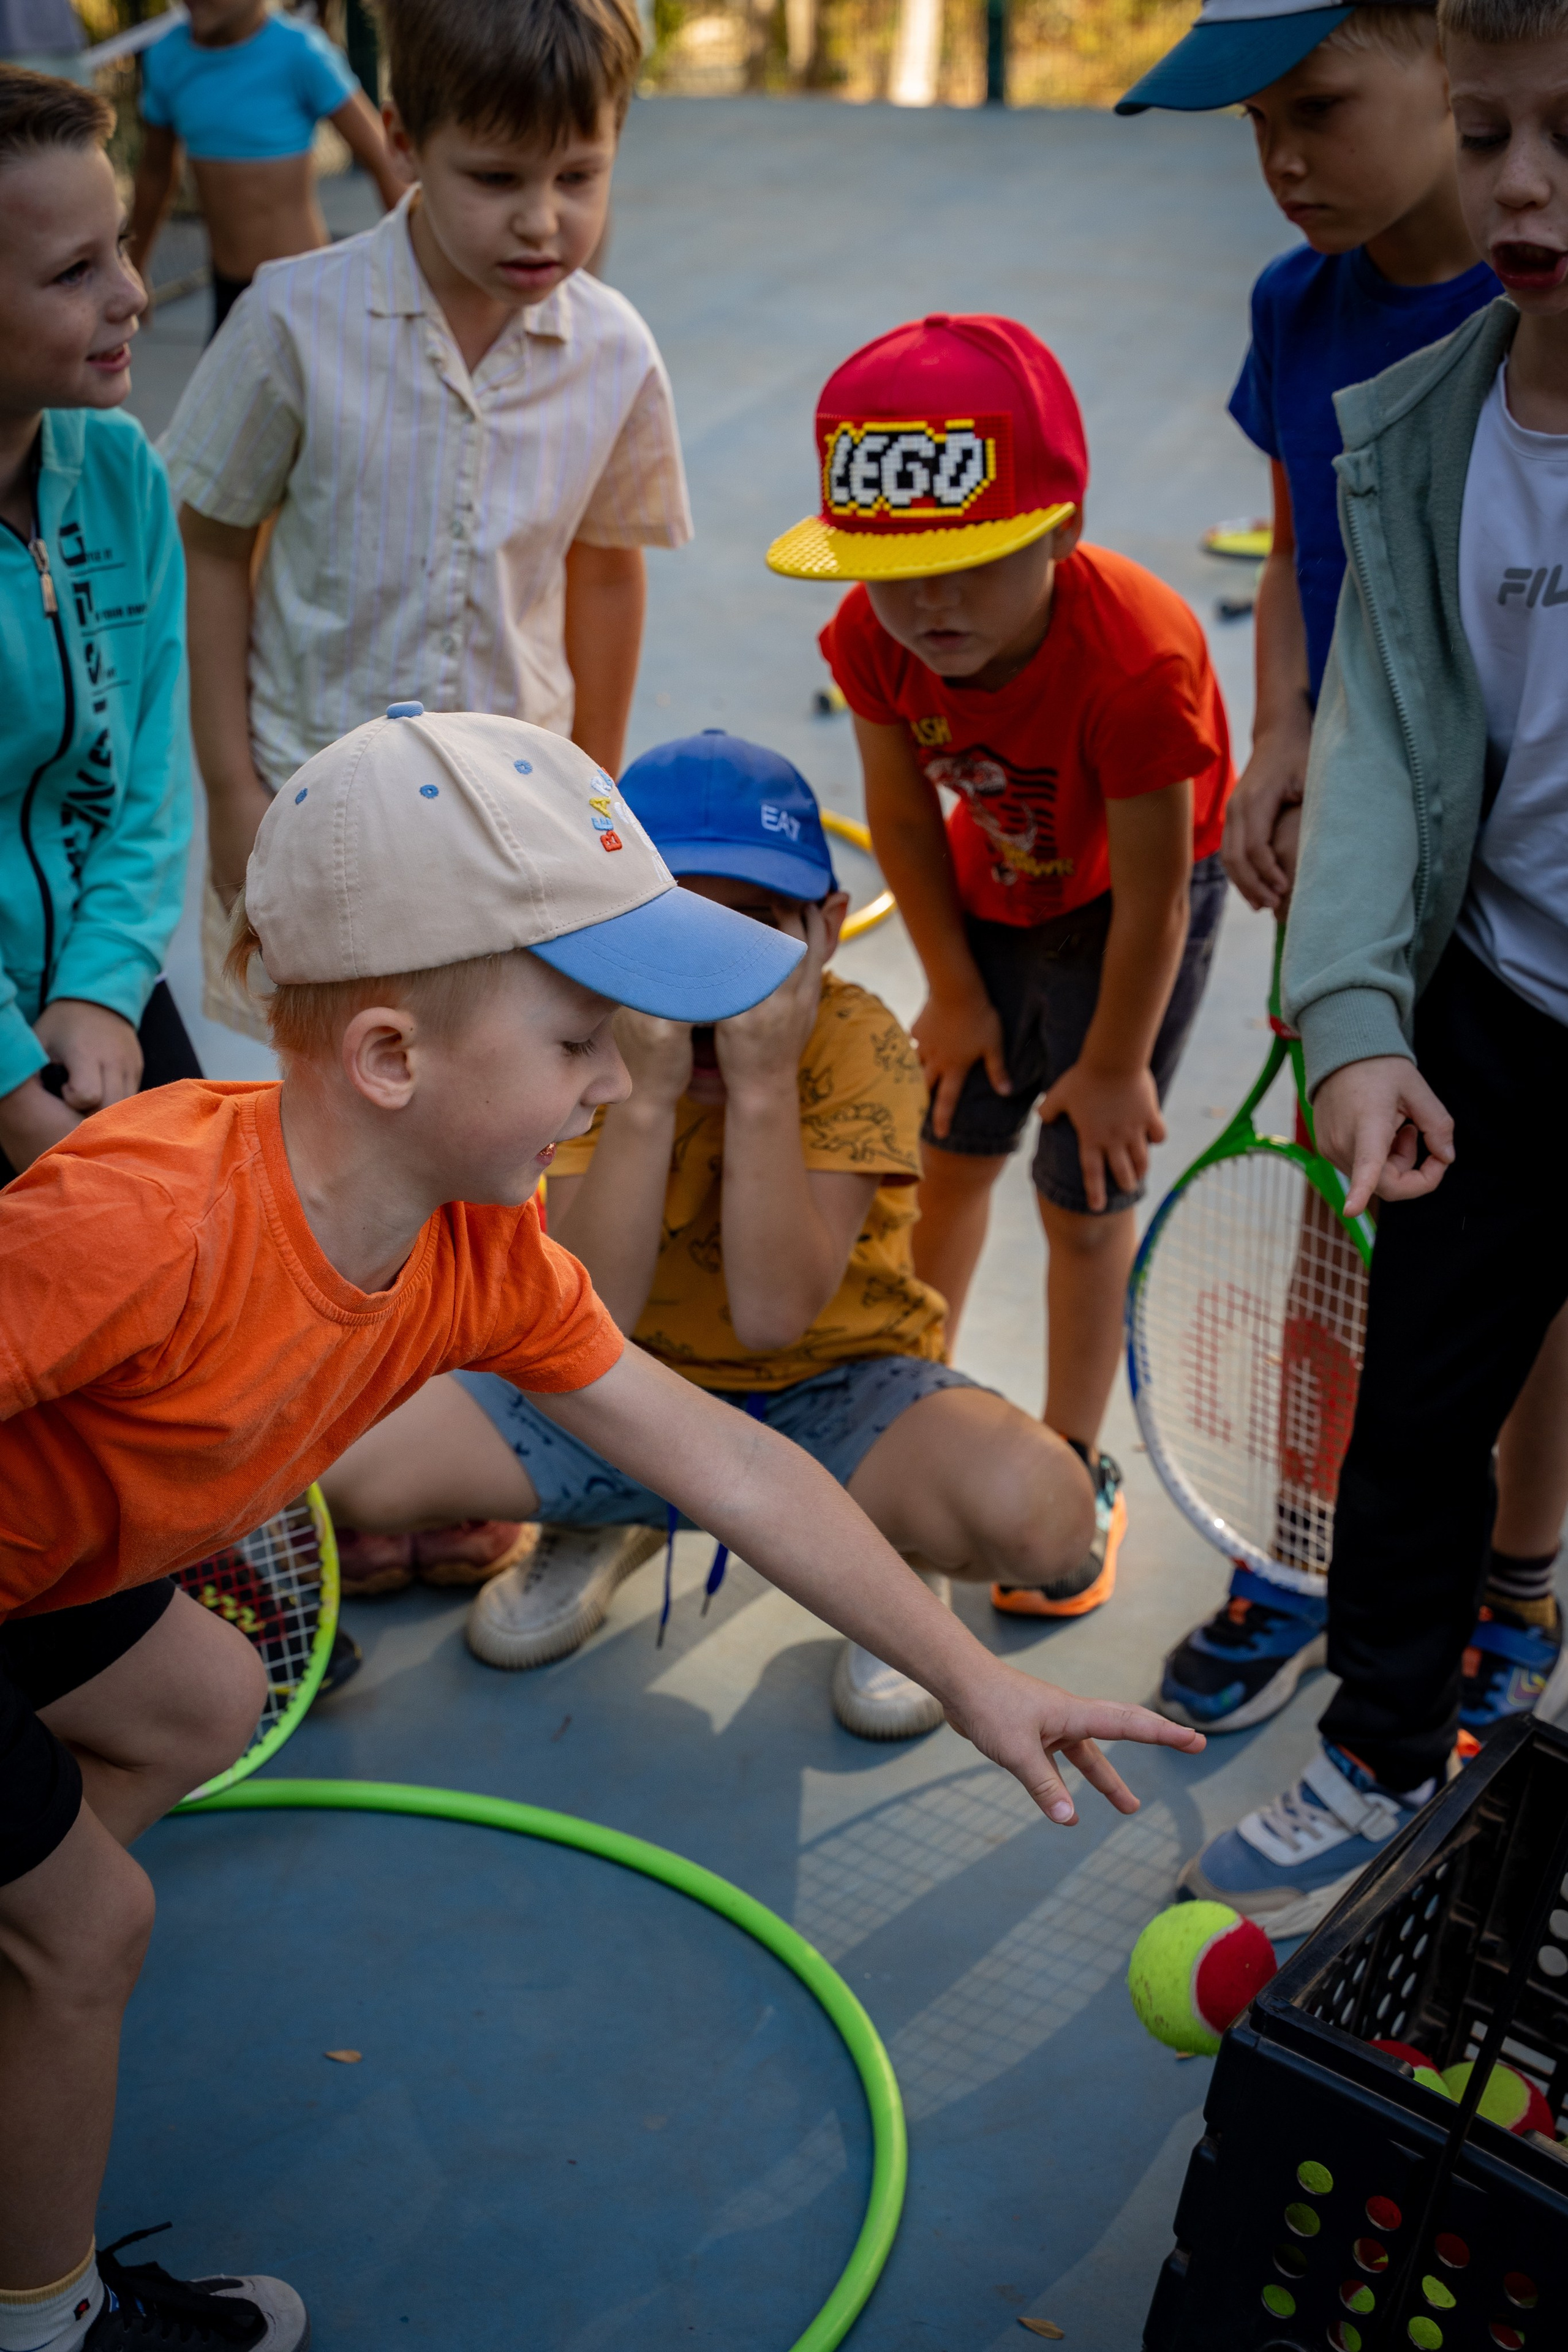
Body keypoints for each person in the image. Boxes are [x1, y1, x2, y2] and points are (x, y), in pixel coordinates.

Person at [0, 704, 1204, 2350]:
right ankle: (45, 2313)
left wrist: (974, 1677)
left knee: (200, 1699)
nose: (618, 1076)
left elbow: (738, 1467)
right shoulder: (146, 1214)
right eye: (579, 1038)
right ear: (392, 1059)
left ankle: (30, 2015)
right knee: (93, 1922)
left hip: (43, 1580)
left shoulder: (478, 1253)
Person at [321, 729, 1099, 1738]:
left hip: (834, 1392)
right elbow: (594, 1314)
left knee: (1045, 1516)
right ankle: (599, 1512)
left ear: (826, 929)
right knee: (341, 1453)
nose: (711, 968)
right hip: (617, 1391)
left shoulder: (857, 1040)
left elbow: (775, 1316)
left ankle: (885, 1553)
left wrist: (766, 1081)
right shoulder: (577, 1038)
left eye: (755, 926)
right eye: (673, 922)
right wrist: (644, 1095)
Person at [1119, 0, 1568, 1747]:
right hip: (1376, 864)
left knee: (1523, 1279)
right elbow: (1305, 544)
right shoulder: (1295, 306)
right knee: (1352, 1210)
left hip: (1508, 897)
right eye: (1251, 128)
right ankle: (1308, 1548)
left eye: (1312, 107)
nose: (1280, 161)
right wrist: (1283, 739)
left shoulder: (1524, 314)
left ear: (1427, 67)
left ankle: (1512, 1576)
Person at [767, 314, 1234, 1619]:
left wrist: (1113, 1064)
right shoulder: (874, 637)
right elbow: (903, 815)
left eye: (968, 564)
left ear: (1059, 532)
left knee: (1083, 1196)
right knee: (944, 1159)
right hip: (989, 889)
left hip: (1123, 916)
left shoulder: (1137, 661)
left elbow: (1158, 896)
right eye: (891, 569)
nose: (929, 605)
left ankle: (1073, 1467)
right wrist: (957, 990)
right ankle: (909, 1421)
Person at [157, 0, 688, 1044]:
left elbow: (606, 570)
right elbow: (211, 545)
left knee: (502, 1072)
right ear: (402, 141)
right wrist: (231, 790)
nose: (542, 220)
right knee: (335, 1082)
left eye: (578, 176)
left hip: (516, 815)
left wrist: (599, 798)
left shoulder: (616, 353)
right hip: (316, 801)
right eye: (496, 178)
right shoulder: (290, 320)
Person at [0, 68, 197, 1189]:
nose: (133, 294)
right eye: (75, 271)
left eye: (119, 246)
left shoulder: (121, 470)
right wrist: (8, 1085)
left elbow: (148, 772)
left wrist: (104, 987)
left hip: (95, 974)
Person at [126, 0, 402, 343]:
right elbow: (155, 172)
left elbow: (384, 160)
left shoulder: (301, 52)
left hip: (305, 289)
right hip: (230, 298)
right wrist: (135, 262)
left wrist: (413, 267)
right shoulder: (167, 57)